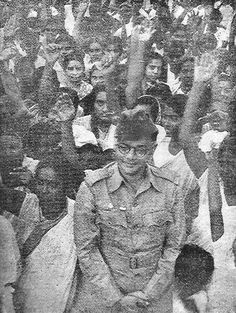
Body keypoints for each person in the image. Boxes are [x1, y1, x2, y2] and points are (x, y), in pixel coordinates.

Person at [72, 109, 186, 313]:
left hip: (154, 299)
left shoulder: (170, 188)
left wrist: (149, 294)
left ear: (152, 150)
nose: (130, 157)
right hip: (105, 299)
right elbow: (87, 249)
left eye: (140, 150)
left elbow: (174, 248)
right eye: (124, 148)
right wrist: (116, 298)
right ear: (115, 146)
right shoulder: (92, 187)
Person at [13, 155, 77, 313]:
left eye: (53, 185)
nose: (45, 190)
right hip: (24, 300)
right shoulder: (27, 205)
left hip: (59, 302)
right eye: (40, 183)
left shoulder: (77, 213)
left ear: (65, 186)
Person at [153, 95, 200, 235]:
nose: (167, 123)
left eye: (174, 118)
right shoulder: (157, 145)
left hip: (183, 223)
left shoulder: (196, 153)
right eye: (166, 117)